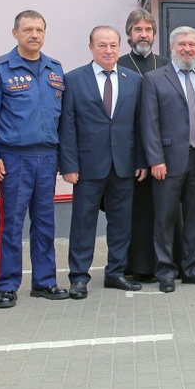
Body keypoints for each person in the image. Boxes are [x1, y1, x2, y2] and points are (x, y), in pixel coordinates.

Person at [0, 10, 69, 308]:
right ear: (15, 33)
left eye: (39, 29)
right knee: (12, 224)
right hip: (14, 158)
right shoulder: (0, 68)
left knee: (45, 223)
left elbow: (63, 120)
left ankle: (44, 282)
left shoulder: (54, 70)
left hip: (47, 157)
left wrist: (63, 158)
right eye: (28, 29)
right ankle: (7, 286)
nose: (34, 34)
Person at [59, 26, 147, 300]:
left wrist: (141, 160)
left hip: (123, 165)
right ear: (91, 47)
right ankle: (79, 277)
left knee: (121, 222)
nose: (108, 50)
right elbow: (67, 125)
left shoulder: (133, 80)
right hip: (87, 167)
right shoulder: (74, 80)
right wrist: (69, 165)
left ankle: (116, 272)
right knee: (83, 223)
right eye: (102, 45)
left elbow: (139, 124)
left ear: (119, 47)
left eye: (112, 45)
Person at [141, 26, 195, 293]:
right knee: (165, 218)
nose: (187, 49)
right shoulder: (154, 79)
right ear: (172, 48)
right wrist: (155, 159)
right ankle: (165, 271)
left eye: (192, 45)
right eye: (182, 45)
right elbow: (149, 123)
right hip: (168, 161)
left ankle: (193, 268)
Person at [117, 9, 177, 282]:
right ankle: (137, 266)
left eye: (148, 30)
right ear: (129, 34)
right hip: (131, 154)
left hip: (163, 152)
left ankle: (166, 264)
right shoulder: (119, 65)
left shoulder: (165, 64)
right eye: (138, 29)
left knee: (163, 211)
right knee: (137, 213)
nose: (144, 34)